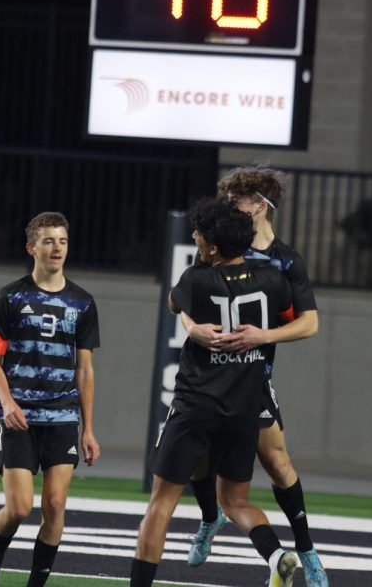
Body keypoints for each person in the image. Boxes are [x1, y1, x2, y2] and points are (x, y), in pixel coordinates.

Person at [131, 198, 299, 587]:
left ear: (212, 247)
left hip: (195, 406)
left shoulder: (195, 280)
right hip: (243, 411)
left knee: (160, 506)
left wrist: (191, 325)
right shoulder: (273, 280)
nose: (194, 237)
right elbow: (291, 315)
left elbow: (175, 302)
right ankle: (276, 554)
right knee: (236, 501)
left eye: (200, 235)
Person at [182, 167, 329, 586]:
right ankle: (210, 519)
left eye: (237, 202)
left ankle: (307, 552)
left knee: (278, 464)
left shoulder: (285, 261)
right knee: (196, 458)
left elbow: (310, 324)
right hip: (206, 378)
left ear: (260, 207)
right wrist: (193, 328)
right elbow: (189, 296)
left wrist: (264, 335)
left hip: (252, 381)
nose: (229, 208)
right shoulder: (216, 246)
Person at [0, 211, 100, 587]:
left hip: (63, 416)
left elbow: (85, 371)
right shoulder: (10, 297)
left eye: (62, 240)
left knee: (55, 506)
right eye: (48, 241)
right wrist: (8, 404)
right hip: (19, 418)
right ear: (31, 248)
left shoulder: (83, 302)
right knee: (18, 508)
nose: (56, 248)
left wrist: (88, 429)